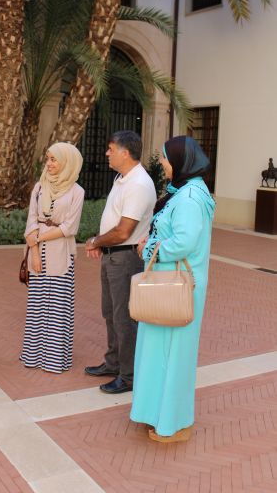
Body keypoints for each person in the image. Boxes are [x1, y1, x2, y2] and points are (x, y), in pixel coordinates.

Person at [130, 135, 215, 442]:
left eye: (166, 159)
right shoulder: (184, 192)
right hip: (164, 285)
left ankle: (174, 423)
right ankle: (155, 412)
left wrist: (149, 247)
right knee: (158, 352)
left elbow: (184, 243)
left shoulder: (191, 198)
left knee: (173, 355)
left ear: (181, 162)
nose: (163, 164)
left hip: (177, 288)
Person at [85, 130, 156, 394]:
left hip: (125, 258)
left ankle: (128, 377)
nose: (107, 153)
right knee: (110, 313)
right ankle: (113, 363)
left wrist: (96, 241)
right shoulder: (122, 178)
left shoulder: (139, 184)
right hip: (113, 256)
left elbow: (124, 230)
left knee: (124, 319)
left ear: (125, 153)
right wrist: (101, 244)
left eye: (111, 148)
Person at [20, 142, 84, 373]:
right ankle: (34, 356)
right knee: (37, 307)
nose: (49, 163)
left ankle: (55, 359)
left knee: (58, 309)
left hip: (61, 254)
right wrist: (34, 252)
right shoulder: (39, 187)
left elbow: (70, 227)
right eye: (48, 158)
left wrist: (39, 239)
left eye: (54, 159)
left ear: (67, 162)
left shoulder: (77, 192)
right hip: (38, 255)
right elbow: (31, 220)